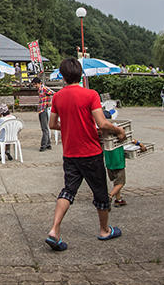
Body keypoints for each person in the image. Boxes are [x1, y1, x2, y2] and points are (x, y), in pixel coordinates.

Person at [45, 58, 127, 251]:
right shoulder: (90, 94)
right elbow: (102, 123)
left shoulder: (57, 97)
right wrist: (119, 131)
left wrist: (68, 126)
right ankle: (104, 230)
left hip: (70, 153)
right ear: (81, 74)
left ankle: (54, 230)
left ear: (63, 76)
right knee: (100, 193)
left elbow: (52, 124)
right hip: (90, 152)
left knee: (68, 191)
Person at [32, 76, 56, 152]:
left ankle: (43, 145)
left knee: (44, 128)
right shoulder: (40, 90)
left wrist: (51, 102)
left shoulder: (44, 88)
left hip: (44, 110)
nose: (35, 86)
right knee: (45, 127)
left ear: (39, 83)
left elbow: (55, 94)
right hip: (41, 109)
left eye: (35, 84)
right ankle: (48, 144)